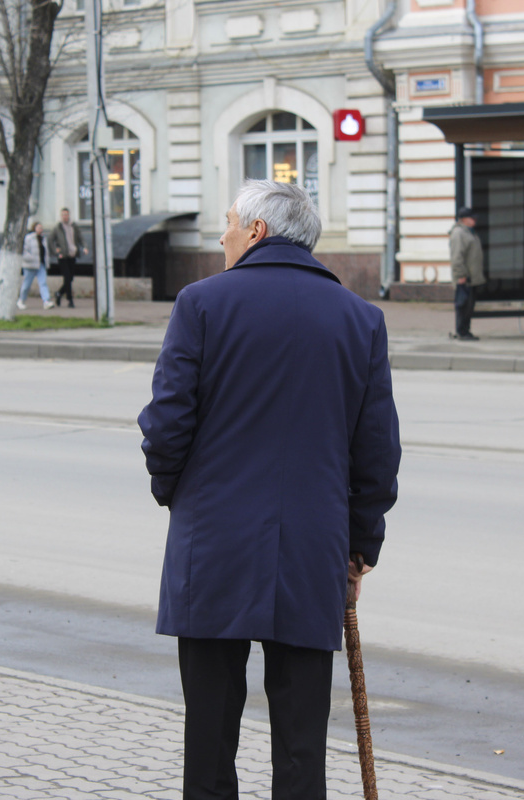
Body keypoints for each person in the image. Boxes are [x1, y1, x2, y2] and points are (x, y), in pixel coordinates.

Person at [138, 179, 401, 800]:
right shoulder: (362, 320)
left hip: (214, 546)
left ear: (257, 231)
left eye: (229, 222)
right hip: (312, 551)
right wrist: (359, 546)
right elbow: (377, 452)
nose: (223, 235)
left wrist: (176, 493)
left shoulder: (201, 304)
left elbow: (165, 425)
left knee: (208, 742)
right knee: (303, 747)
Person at [449, 206, 485, 341]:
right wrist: (460, 275)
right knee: (463, 305)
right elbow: (457, 257)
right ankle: (462, 331)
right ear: (464, 219)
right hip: (464, 278)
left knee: (469, 306)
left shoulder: (469, 232)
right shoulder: (459, 233)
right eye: (472, 217)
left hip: (471, 278)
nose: (474, 220)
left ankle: (466, 330)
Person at [50, 207, 88, 309]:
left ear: (69, 215)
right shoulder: (57, 228)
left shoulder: (73, 226)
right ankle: (70, 300)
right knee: (67, 277)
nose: (65, 217)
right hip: (63, 256)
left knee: (70, 278)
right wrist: (56, 251)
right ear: (61, 216)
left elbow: (80, 238)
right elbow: (50, 241)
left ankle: (59, 293)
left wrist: (84, 247)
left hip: (72, 255)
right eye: (63, 215)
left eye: (66, 214)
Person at [18, 221, 54, 310]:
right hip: (30, 266)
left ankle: (46, 301)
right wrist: (30, 258)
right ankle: (21, 300)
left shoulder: (43, 239)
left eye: (41, 228)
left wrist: (46, 262)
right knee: (27, 284)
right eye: (39, 227)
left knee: (43, 283)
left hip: (40, 264)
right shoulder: (29, 238)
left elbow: (45, 252)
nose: (41, 229)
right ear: (34, 228)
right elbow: (24, 251)